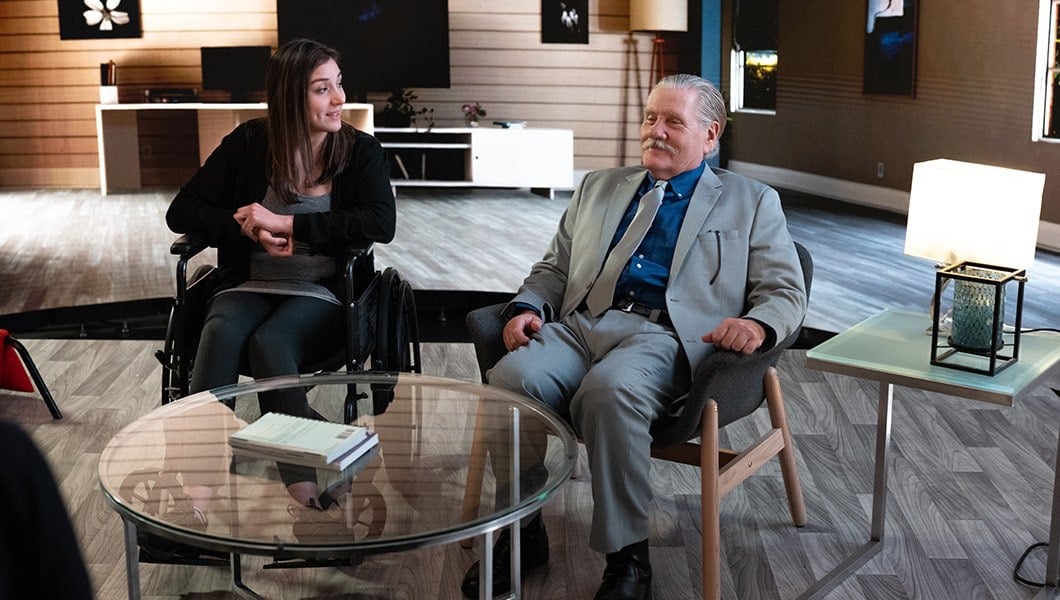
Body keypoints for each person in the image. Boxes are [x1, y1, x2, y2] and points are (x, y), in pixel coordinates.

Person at [461, 74, 807, 600]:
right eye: (650, 118)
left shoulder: (752, 201)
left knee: (610, 392)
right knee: (510, 382)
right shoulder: (599, 186)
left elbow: (785, 289)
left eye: (673, 121)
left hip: (666, 335)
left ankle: (628, 559)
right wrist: (530, 304)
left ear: (710, 136)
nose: (656, 131)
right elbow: (554, 267)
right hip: (582, 324)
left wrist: (757, 324)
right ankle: (523, 529)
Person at [166, 38, 396, 509]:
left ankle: (303, 488)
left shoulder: (360, 151)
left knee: (270, 343)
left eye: (339, 85)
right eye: (321, 89)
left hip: (323, 290)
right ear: (291, 97)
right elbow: (181, 210)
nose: (339, 99)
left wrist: (289, 223)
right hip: (251, 280)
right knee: (221, 327)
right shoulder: (249, 143)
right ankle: (198, 490)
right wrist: (246, 227)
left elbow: (380, 223)